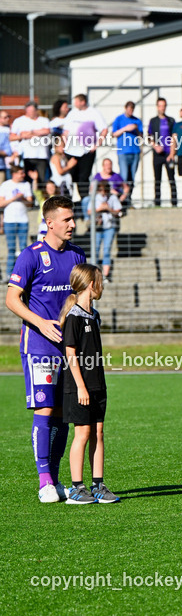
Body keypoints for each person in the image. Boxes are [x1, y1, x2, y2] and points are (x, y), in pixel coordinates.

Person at [6, 195, 86, 502]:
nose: (72, 224)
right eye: (66, 219)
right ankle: (44, 482)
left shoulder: (77, 255)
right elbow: (12, 299)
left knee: (65, 413)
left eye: (73, 218)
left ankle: (54, 477)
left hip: (68, 348)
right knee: (46, 408)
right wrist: (41, 323)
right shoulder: (31, 255)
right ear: (49, 222)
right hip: (39, 345)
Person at [59, 263, 119, 504]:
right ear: (92, 285)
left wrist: (94, 385)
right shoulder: (73, 316)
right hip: (78, 387)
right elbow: (70, 354)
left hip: (97, 385)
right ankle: (76, 487)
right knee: (82, 433)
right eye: (100, 282)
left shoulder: (94, 315)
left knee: (98, 432)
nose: (102, 286)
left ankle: (98, 485)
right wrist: (81, 386)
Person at [63, 94, 108, 202]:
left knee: (83, 178)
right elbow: (66, 131)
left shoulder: (93, 113)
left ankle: (84, 202)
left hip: (86, 152)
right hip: (71, 151)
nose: (75, 104)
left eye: (77, 101)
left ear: (83, 102)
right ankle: (69, 201)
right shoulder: (72, 113)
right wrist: (64, 144)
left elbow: (104, 129)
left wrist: (97, 144)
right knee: (71, 177)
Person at [1, 166, 35, 277]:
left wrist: (23, 198)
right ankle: (9, 274)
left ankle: (23, 273)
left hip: (23, 220)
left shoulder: (26, 185)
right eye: (21, 173)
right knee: (11, 248)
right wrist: (14, 198)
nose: (23, 175)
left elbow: (30, 203)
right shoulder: (6, 185)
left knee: (23, 248)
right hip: (9, 221)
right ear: (14, 174)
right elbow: (1, 203)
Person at [12, 101, 51, 192]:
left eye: (32, 111)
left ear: (36, 110)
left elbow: (46, 131)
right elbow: (12, 137)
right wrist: (23, 135)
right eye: (28, 111)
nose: (30, 113)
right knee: (27, 179)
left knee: (41, 180)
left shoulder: (44, 120)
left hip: (41, 156)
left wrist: (30, 132)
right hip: (27, 156)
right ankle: (30, 200)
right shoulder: (19, 121)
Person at [147, 97, 177, 207]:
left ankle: (174, 202)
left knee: (171, 179)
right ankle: (157, 202)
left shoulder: (171, 120)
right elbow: (149, 136)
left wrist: (172, 153)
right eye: (160, 106)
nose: (162, 108)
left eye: (164, 106)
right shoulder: (153, 121)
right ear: (157, 107)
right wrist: (155, 146)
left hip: (169, 154)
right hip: (157, 154)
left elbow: (175, 137)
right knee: (157, 179)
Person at [110, 101, 142, 203]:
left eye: (132, 109)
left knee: (131, 177)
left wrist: (136, 130)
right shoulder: (119, 119)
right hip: (123, 152)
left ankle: (129, 198)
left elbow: (141, 136)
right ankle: (122, 199)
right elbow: (114, 134)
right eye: (129, 109)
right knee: (124, 176)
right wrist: (125, 129)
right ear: (125, 108)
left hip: (135, 152)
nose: (130, 111)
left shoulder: (137, 121)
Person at [92, 180, 122, 281]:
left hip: (109, 227)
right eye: (100, 189)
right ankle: (95, 274)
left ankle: (105, 275)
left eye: (105, 189)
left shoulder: (112, 198)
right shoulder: (94, 198)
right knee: (95, 250)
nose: (103, 192)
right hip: (97, 228)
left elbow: (118, 211)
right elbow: (89, 211)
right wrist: (99, 209)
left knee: (106, 250)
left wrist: (108, 208)